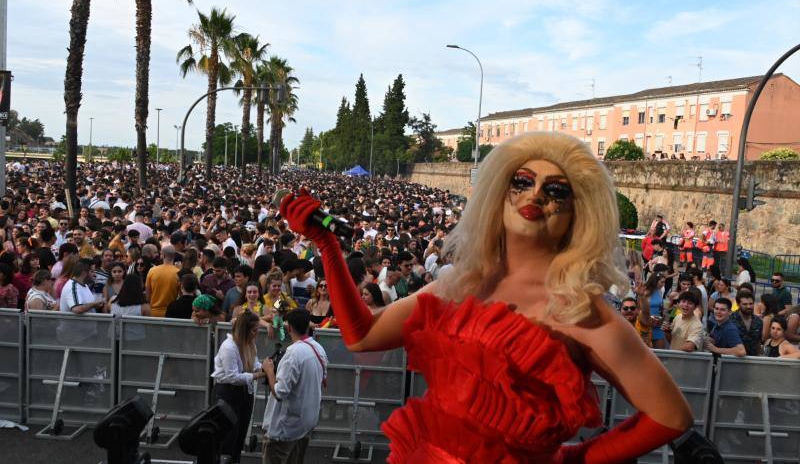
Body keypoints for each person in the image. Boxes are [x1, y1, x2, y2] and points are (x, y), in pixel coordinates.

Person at [280, 131, 705, 462]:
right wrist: (327, 247)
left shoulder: (583, 314)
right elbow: (362, 335)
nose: (535, 195)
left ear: (581, 213)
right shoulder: (459, 284)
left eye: (556, 190)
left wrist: (575, 458)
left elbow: (670, 415)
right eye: (522, 181)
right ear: (497, 192)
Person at [262, 309, 327, 464]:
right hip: (304, 423)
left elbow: (280, 393)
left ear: (289, 328)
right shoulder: (318, 348)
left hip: (286, 428)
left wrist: (269, 371)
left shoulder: (293, 353)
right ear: (307, 326)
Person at [211, 311, 266, 464]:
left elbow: (254, 364)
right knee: (228, 438)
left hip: (244, 393)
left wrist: (266, 367)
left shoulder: (249, 343)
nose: (257, 333)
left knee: (240, 436)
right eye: (254, 330)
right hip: (227, 394)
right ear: (245, 330)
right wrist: (258, 375)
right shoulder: (229, 347)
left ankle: (235, 460)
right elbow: (232, 377)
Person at [145, 246, 180, 317]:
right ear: (174, 256)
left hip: (153, 312)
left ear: (163, 255)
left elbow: (148, 295)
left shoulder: (152, 271)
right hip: (170, 313)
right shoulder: (178, 273)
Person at [731, 290, 763, 356]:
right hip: (734, 359)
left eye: (751, 304)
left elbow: (758, 343)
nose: (748, 306)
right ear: (738, 304)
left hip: (752, 360)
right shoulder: (730, 319)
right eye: (745, 304)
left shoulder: (758, 321)